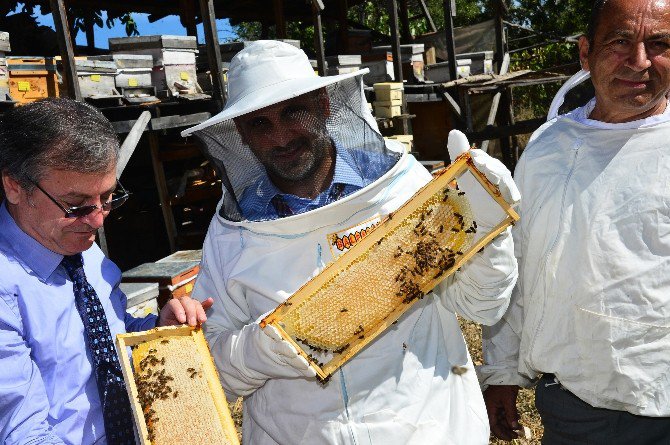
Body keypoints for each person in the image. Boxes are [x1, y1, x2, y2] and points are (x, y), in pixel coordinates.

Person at [183, 40, 520, 444]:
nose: (281, 137)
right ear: (241, 134)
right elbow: (209, 375)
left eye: (294, 112)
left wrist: (485, 229)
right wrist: (263, 349)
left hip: (426, 427)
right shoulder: (231, 233)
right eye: (260, 124)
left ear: (324, 105)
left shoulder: (402, 187)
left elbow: (481, 306)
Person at [479, 0, 670, 443]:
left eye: (658, 44)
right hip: (571, 408)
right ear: (586, 53)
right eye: (620, 41)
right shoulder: (548, 146)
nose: (639, 62)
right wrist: (502, 372)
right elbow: (519, 263)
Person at [0, 98, 213, 444]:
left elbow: (108, 333)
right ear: (14, 186)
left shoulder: (73, 240)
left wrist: (157, 329)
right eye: (76, 205)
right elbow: (22, 433)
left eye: (108, 198)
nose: (98, 221)